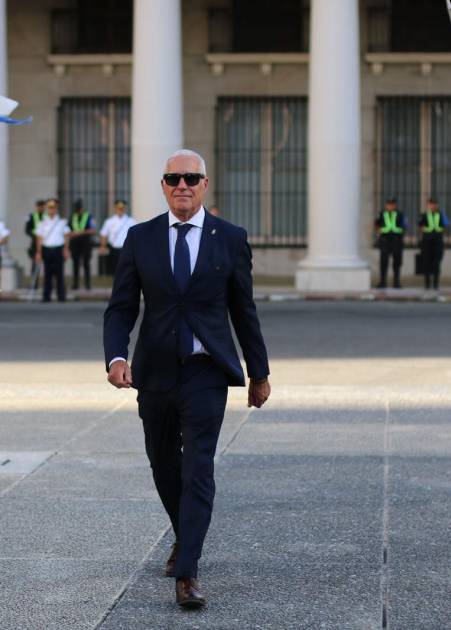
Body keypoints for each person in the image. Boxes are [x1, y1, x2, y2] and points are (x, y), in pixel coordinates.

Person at [103, 149, 270, 609]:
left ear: (204, 184)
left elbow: (244, 310)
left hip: (205, 372)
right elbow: (120, 308)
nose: (182, 185)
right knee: (163, 464)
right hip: (153, 373)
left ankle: (188, 572)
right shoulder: (140, 238)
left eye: (191, 178)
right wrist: (116, 356)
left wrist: (259, 373)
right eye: (173, 178)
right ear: (162, 186)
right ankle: (186, 534)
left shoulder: (230, 239)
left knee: (198, 469)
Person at [35, 198, 70, 303]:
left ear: (56, 209)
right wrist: (39, 253)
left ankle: (61, 295)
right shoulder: (42, 223)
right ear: (47, 209)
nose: (52, 210)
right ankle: (46, 295)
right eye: (50, 208)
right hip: (46, 249)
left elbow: (66, 236)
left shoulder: (62, 222)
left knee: (59, 273)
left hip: (58, 248)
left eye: (54, 208)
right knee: (47, 273)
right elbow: (39, 239)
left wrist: (66, 250)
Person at [417, 196, 450, 290]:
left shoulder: (440, 214)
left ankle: (436, 283)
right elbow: (420, 226)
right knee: (426, 262)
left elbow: (445, 226)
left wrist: (439, 234)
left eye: (434, 204)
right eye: (431, 204)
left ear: (436, 205)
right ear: (428, 205)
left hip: (437, 240)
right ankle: (427, 283)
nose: (433, 206)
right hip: (427, 240)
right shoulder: (424, 215)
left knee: (436, 262)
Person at [375, 196, 407, 289]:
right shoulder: (381, 214)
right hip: (385, 240)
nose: (390, 206)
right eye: (389, 204)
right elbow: (377, 225)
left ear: (395, 205)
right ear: (386, 205)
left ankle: (396, 282)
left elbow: (404, 226)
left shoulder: (400, 214)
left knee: (397, 262)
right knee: (383, 261)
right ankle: (382, 281)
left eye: (392, 204)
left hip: (396, 240)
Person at [99, 199, 136, 276]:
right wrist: (103, 246)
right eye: (119, 208)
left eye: (122, 208)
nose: (120, 210)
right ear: (115, 208)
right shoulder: (109, 221)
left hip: (126, 249)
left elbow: (136, 234)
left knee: (126, 269)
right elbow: (103, 234)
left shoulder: (130, 221)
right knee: (114, 269)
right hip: (114, 249)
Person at [68, 199, 96, 290]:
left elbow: (93, 229)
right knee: (75, 263)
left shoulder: (88, 216)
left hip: (86, 242)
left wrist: (83, 232)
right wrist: (73, 233)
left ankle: (87, 284)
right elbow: (67, 230)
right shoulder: (72, 217)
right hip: (75, 243)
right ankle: (75, 284)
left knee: (86, 263)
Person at [25, 199, 46, 285]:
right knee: (35, 263)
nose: (40, 208)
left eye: (41, 206)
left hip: (46, 242)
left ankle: (47, 283)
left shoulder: (47, 216)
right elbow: (27, 230)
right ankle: (34, 282)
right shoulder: (32, 216)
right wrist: (36, 234)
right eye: (38, 206)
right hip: (35, 241)